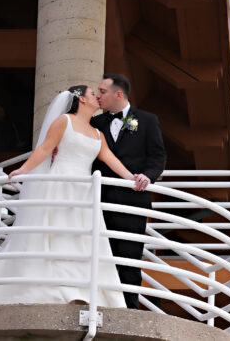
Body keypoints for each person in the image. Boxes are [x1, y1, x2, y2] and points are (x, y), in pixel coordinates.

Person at [0, 85, 149, 307]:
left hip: (84, 192)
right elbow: (46, 148)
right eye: (91, 93)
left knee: (82, 238)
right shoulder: (64, 121)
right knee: (57, 234)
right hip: (60, 184)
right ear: (81, 100)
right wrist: (23, 170)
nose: (97, 97)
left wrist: (130, 178)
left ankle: (82, 291)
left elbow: (109, 158)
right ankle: (55, 290)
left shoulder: (97, 133)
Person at [92, 74, 166, 309]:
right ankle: (100, 303)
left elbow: (157, 156)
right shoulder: (95, 123)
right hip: (99, 200)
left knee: (130, 254)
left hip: (133, 200)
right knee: (99, 252)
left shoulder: (147, 120)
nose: (98, 96)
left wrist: (148, 175)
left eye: (102, 91)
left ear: (119, 94)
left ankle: (129, 307)